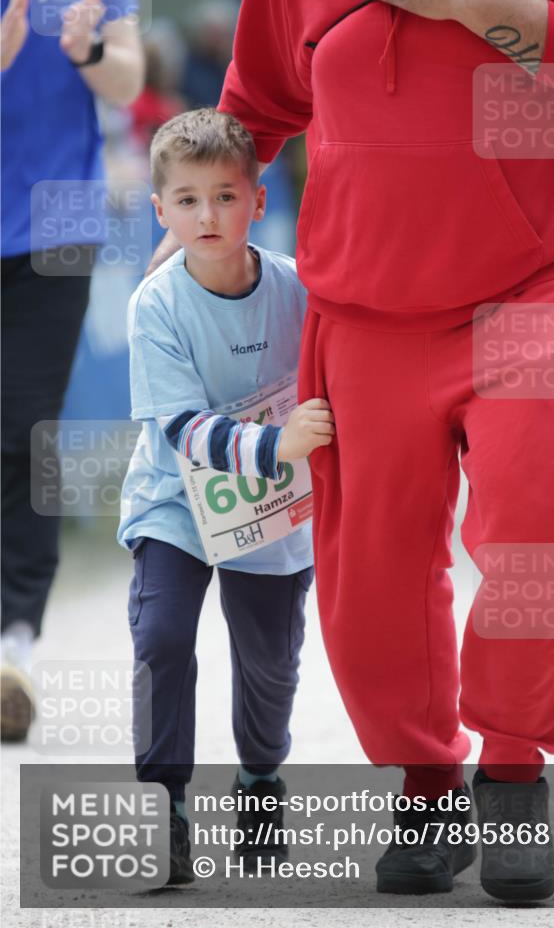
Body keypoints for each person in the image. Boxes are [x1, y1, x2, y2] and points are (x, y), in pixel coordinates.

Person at [151, 0, 554, 900]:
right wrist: (197, 223)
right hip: (366, 304)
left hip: (528, 284)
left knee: (542, 506)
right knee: (372, 575)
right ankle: (427, 787)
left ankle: (511, 770)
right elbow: (257, 103)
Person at [118, 108, 335, 885]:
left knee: (271, 665)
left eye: (225, 196)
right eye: (186, 200)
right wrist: (278, 444)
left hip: (273, 513)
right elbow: (180, 427)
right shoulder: (155, 304)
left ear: (259, 200)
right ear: (160, 210)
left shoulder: (299, 290)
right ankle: (164, 808)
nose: (206, 216)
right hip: (175, 505)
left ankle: (260, 779)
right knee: (162, 638)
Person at [1, 0, 144, 742]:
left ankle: (12, 641)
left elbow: (128, 77)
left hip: (54, 226)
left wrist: (87, 49)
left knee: (26, 430)